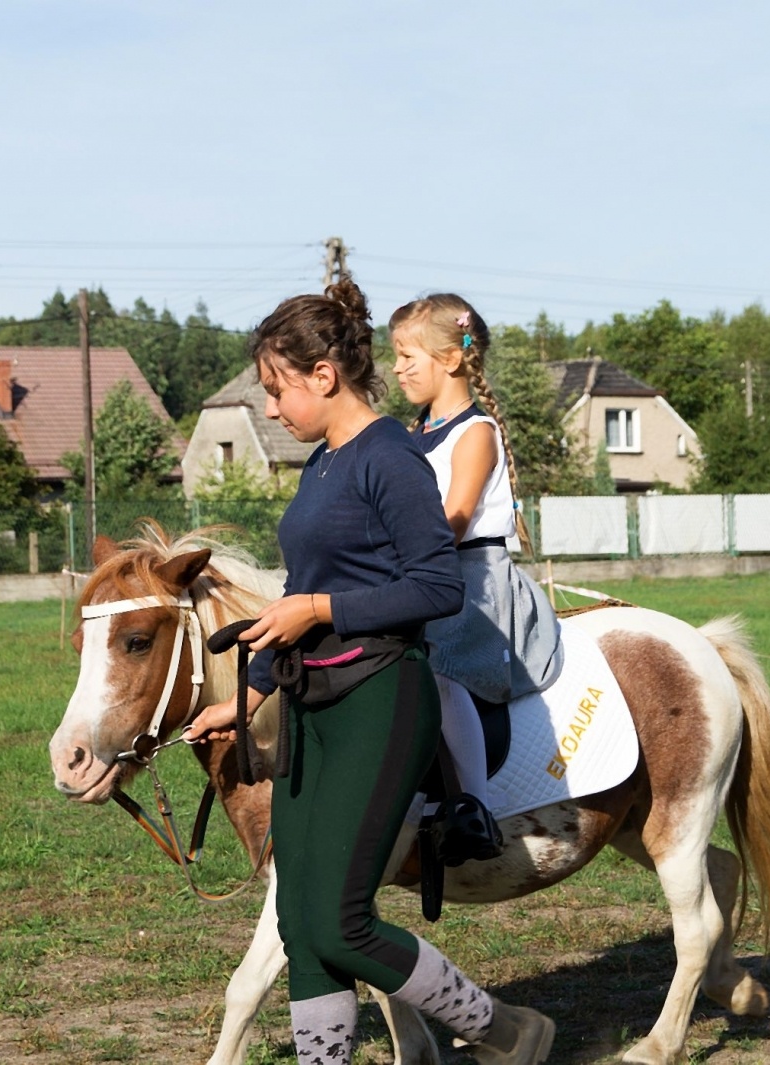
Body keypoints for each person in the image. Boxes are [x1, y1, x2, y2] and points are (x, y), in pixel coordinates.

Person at [185, 277, 555, 1065]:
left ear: (325, 374)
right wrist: (247, 698)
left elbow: (435, 585)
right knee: (301, 923)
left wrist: (320, 609)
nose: (274, 409)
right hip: (310, 707)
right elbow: (298, 595)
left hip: (382, 697)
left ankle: (509, 1029)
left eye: (279, 390)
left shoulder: (393, 456)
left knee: (344, 921)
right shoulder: (323, 463)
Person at [388, 294, 563, 863]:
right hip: (421, 575)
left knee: (436, 668)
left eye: (408, 355)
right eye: (395, 356)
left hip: (473, 587)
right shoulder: (409, 434)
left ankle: (472, 806)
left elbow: (455, 520)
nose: (397, 368)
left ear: (452, 359)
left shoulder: (475, 433)